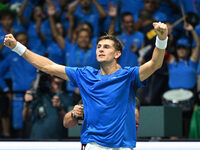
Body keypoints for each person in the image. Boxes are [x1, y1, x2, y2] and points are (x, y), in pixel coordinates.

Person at [3, 21, 168, 149]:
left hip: (123, 145)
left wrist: (161, 38)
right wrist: (17, 47)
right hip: (94, 145)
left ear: (117, 54)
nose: (100, 49)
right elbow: (48, 66)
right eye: (98, 47)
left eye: (106, 47)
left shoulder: (128, 76)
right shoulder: (85, 75)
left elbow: (155, 63)